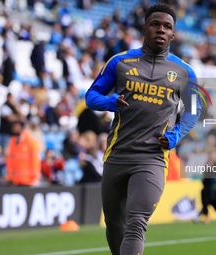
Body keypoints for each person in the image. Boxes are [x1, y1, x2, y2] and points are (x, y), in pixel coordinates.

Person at [85, 4, 202, 255]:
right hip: (117, 154)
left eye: (167, 27)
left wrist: (176, 135)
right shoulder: (120, 62)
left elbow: (194, 110)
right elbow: (91, 96)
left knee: (136, 223)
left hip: (152, 158)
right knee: (114, 224)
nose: (161, 29)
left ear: (173, 34)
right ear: (144, 29)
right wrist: (110, 102)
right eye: (155, 24)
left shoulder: (185, 71)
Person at [6, 121, 41, 186]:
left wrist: (35, 177)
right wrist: (9, 177)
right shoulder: (12, 141)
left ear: (21, 127)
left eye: (16, 126)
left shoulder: (31, 141)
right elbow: (10, 160)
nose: (14, 128)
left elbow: (35, 159)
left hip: (29, 180)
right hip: (15, 181)